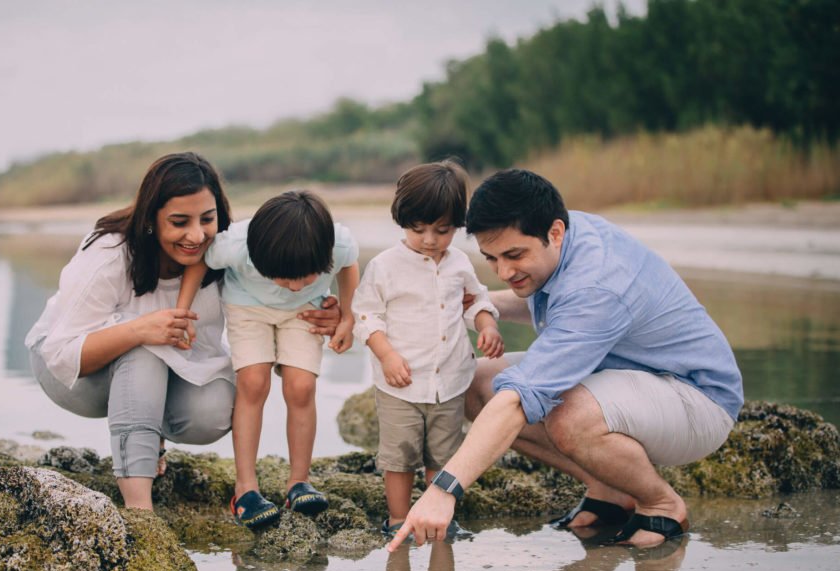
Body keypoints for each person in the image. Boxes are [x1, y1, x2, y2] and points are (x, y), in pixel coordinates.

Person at [389, 168, 743, 549]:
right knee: (472, 382)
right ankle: (608, 486)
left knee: (566, 413)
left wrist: (444, 491)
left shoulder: (596, 285)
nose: (505, 272)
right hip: (631, 376)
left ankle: (661, 502)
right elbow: (547, 304)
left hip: (698, 400)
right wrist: (445, 307)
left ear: (554, 233)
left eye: (514, 255)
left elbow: (521, 397)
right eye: (491, 258)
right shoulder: (565, 233)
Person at [25, 153, 340, 511]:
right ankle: (139, 509)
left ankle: (151, 435)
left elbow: (281, 291)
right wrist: (139, 329)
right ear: (150, 220)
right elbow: (61, 352)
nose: (196, 234)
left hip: (164, 371)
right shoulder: (110, 255)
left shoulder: (224, 255)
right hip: (72, 373)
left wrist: (329, 314)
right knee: (143, 350)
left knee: (217, 409)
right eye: (179, 222)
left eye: (207, 219)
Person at [177, 190, 359, 527]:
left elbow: (349, 266)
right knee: (252, 382)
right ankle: (245, 489)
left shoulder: (337, 242)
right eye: (282, 277)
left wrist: (348, 315)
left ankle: (298, 483)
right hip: (247, 308)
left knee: (302, 387)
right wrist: (183, 310)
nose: (291, 286)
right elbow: (200, 261)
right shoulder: (235, 246)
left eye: (303, 277)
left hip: (305, 312)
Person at [352, 161, 502, 540]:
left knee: (444, 455)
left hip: (448, 380)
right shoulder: (386, 267)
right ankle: (399, 520)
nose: (431, 240)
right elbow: (367, 315)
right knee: (399, 457)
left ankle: (441, 518)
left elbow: (474, 300)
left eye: (443, 230)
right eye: (418, 229)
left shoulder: (459, 264)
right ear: (402, 220)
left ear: (458, 225)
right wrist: (386, 355)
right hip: (400, 382)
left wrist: (487, 325)